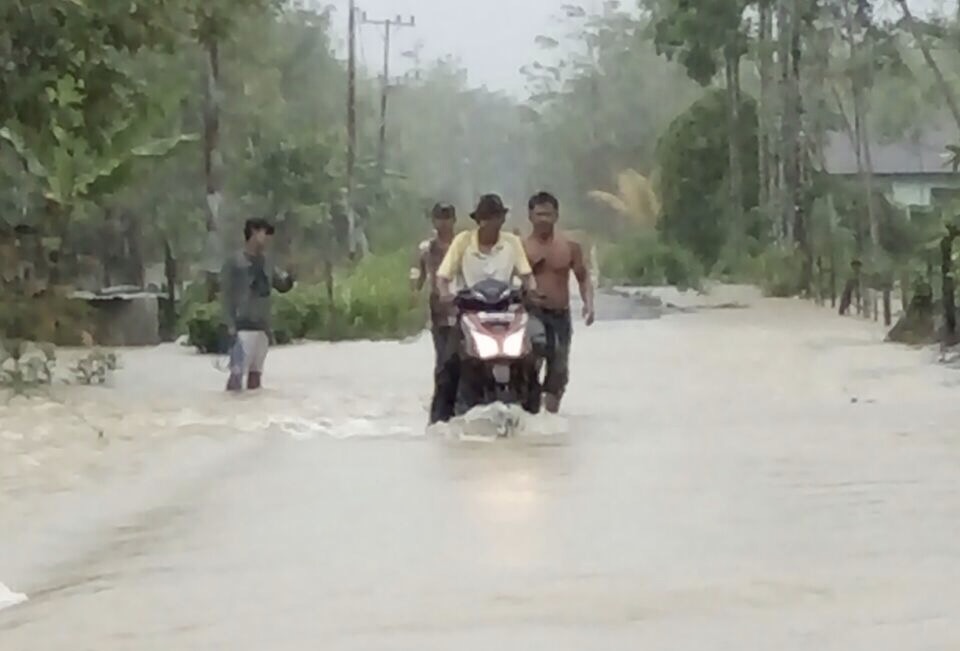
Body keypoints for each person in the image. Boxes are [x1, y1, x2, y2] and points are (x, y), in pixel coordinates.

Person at [433, 193, 538, 420]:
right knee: (448, 365)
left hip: (507, 315)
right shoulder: (462, 242)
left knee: (530, 357)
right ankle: (439, 421)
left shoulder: (511, 242)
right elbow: (443, 276)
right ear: (479, 221)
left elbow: (527, 275)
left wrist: (531, 289)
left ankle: (535, 411)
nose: (493, 223)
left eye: (497, 217)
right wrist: (445, 294)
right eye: (488, 218)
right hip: (469, 314)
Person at [523, 191, 595, 413]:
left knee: (559, 370)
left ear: (556, 216)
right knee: (534, 353)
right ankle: (529, 410)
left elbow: (583, 277)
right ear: (530, 216)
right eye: (539, 214)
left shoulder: (569, 247)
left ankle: (550, 421)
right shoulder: (522, 247)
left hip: (560, 315)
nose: (544, 219)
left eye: (548, 214)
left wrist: (588, 304)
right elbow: (511, 280)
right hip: (532, 313)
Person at [221, 217, 295, 392]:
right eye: (265, 233)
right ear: (253, 232)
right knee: (236, 376)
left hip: (262, 327)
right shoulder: (235, 262)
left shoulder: (268, 262)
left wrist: (291, 275)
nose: (268, 238)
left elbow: (281, 286)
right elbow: (226, 294)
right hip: (241, 327)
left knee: (256, 377)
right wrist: (229, 324)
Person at [411, 202, 458, 424]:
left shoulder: (463, 246)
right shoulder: (427, 249)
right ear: (434, 221)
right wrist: (414, 291)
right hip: (439, 311)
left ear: (453, 220)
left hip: (464, 308)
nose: (443, 222)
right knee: (443, 363)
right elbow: (418, 275)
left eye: (447, 217)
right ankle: (439, 415)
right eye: (440, 218)